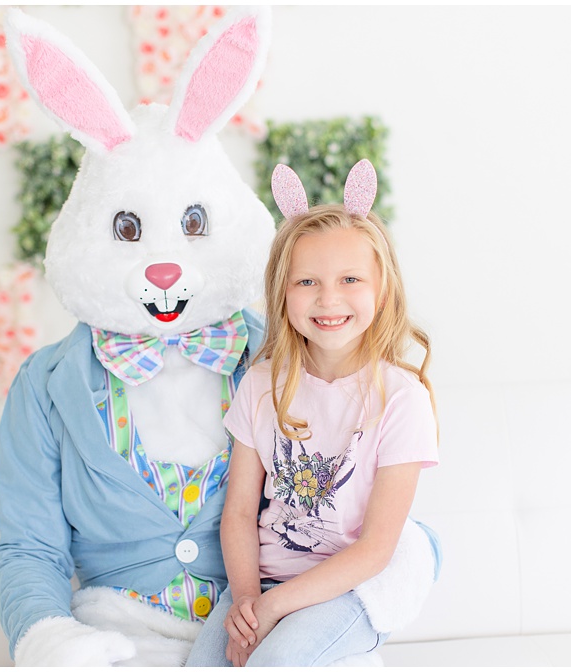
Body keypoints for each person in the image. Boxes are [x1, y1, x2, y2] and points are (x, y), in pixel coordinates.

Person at [187, 162, 440, 667]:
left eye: (350, 279)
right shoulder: (262, 386)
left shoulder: (400, 398)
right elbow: (239, 512)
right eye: (307, 281)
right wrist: (245, 602)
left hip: (347, 589)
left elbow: (375, 548)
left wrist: (274, 608)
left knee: (272, 664)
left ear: (381, 289)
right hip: (263, 582)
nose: (329, 299)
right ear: (283, 292)